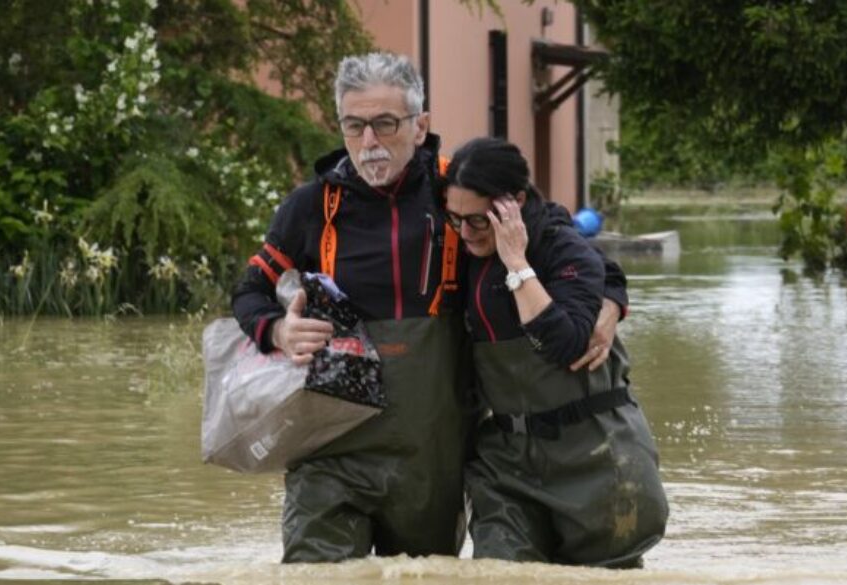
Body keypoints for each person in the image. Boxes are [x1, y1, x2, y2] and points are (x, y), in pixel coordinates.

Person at [231, 53, 628, 562]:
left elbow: (571, 248)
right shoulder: (311, 207)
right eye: (355, 126)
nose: (369, 143)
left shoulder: (459, 193)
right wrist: (277, 332)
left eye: (385, 124)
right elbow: (248, 292)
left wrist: (613, 302)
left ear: (421, 126)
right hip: (328, 451)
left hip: (432, 459)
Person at [445, 137, 668, 568]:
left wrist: (517, 265)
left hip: (596, 458)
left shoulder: (563, 248)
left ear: (515, 205)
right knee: (499, 573)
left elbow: (563, 346)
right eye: (455, 219)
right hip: (508, 462)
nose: (465, 233)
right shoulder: (466, 247)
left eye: (478, 221)